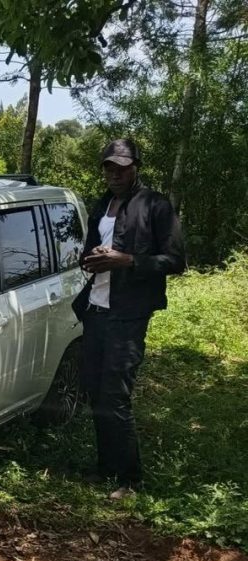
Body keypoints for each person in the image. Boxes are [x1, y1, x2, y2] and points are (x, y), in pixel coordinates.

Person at [72, 138, 186, 500]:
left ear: (135, 166)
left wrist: (127, 260)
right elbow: (90, 251)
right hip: (96, 310)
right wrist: (92, 257)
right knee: (93, 390)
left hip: (129, 314)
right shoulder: (102, 205)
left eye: (121, 167)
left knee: (115, 396)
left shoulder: (155, 205)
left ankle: (130, 480)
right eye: (109, 167)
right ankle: (106, 468)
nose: (114, 174)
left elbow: (176, 261)